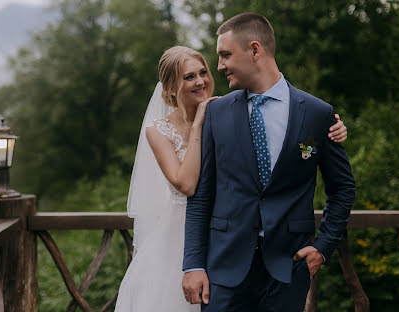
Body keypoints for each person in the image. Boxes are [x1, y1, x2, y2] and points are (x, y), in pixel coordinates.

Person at [115, 44, 347, 311]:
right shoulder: (163, 129)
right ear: (170, 88)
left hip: (239, 242)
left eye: (203, 72)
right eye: (189, 77)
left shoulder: (227, 109)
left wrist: (331, 126)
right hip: (181, 241)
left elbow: (289, 123)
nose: (201, 81)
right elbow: (188, 185)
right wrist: (201, 122)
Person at [182, 13, 356, 312]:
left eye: (225, 55)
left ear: (254, 50)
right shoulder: (216, 113)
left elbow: (342, 188)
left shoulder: (317, 113)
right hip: (224, 270)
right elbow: (201, 195)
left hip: (288, 269)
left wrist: (322, 247)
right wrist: (193, 264)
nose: (220, 66)